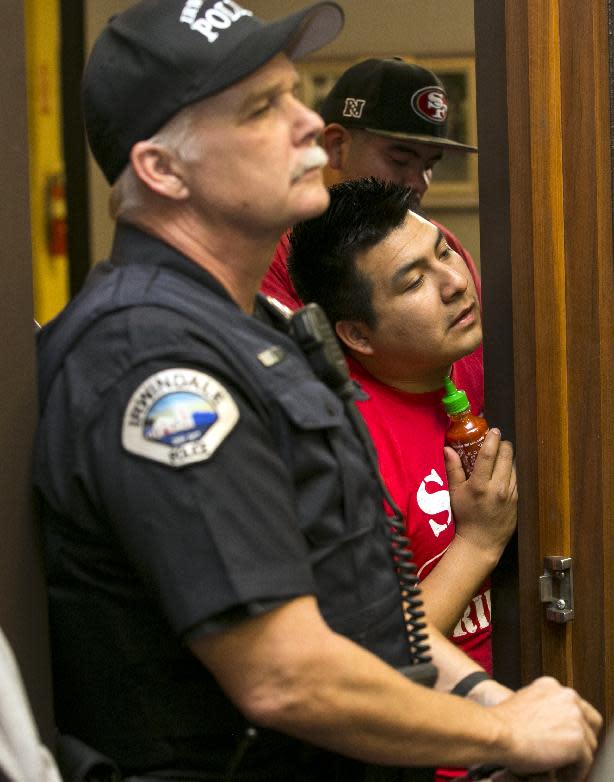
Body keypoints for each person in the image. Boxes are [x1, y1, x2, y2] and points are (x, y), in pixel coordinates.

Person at [33, 1, 601, 780]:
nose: (309, 125)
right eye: (264, 108)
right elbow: (284, 676)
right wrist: (504, 739)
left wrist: (487, 698)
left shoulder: (260, 326)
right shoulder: (155, 361)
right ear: (162, 171)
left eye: (294, 94)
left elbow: (364, 610)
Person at [287, 177, 513, 782]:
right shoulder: (344, 446)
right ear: (357, 335)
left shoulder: (473, 363)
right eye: (414, 281)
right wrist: (479, 543)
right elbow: (370, 651)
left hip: (519, 725)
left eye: (443, 251)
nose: (456, 282)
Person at [260, 56, 481, 313]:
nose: (418, 183)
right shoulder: (270, 254)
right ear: (337, 146)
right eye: (400, 160)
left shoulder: (444, 243)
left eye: (429, 165)